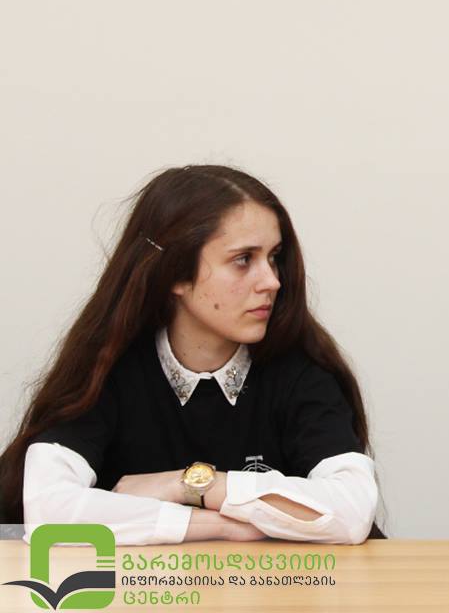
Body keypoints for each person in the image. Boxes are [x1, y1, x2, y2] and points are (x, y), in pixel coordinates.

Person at [0, 165, 378, 545]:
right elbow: (48, 510)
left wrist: (194, 485)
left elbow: (352, 511)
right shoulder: (108, 369)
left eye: (273, 257)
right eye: (243, 259)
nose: (272, 281)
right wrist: (220, 526)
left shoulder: (300, 372)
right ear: (176, 275)